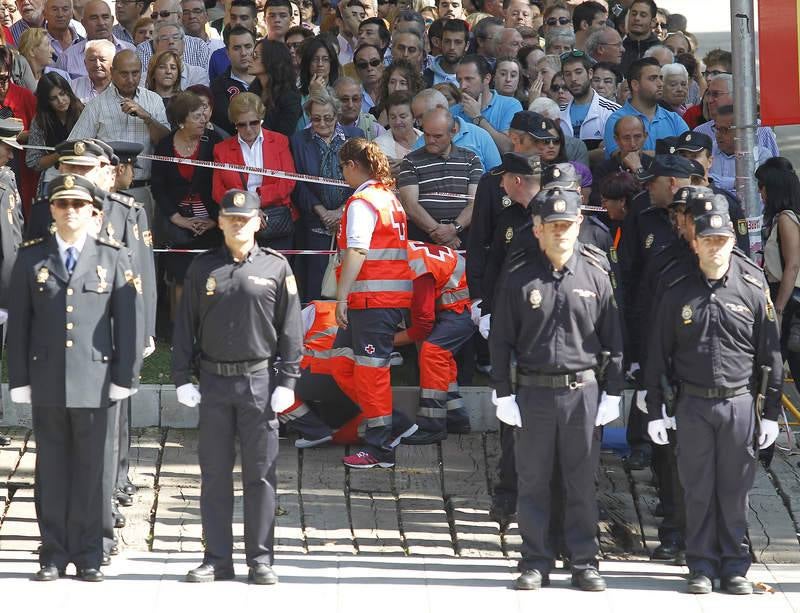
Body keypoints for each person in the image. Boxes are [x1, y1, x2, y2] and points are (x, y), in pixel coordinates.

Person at [645, 193, 783, 595]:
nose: (715, 247)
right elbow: (657, 354)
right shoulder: (675, 287)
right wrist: (655, 409)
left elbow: (771, 356)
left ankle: (735, 565)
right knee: (698, 488)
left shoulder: (752, 287)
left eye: (722, 241)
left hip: (740, 403)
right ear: (696, 242)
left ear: (731, 242)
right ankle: (701, 564)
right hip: (692, 403)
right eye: (708, 240)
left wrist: (771, 413)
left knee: (735, 489)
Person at [9, 172, 144, 582]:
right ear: (51, 209)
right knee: (50, 468)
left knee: (94, 470)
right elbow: (20, 326)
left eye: (78, 205)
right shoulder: (31, 257)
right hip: (48, 377)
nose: (70, 211)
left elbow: (130, 324)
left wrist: (125, 375)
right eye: (62, 204)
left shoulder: (113, 256)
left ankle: (89, 552)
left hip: (97, 378)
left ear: (93, 211)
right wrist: (19, 379)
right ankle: (52, 551)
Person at [490, 185, 623, 591]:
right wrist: (503, 393)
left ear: (579, 224)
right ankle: (535, 559)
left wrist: (613, 392)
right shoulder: (519, 278)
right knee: (533, 480)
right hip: (532, 392)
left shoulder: (597, 275)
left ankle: (584, 560)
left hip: (582, 392)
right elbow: (500, 340)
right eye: (553, 226)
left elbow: (614, 339)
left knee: (581, 479)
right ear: (537, 229)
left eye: (567, 225)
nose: (561, 232)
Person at [172, 188, 303, 585]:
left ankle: (260, 559)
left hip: (259, 383)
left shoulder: (277, 267)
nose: (237, 224)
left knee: (260, 475)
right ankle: (216, 558)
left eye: (244, 219)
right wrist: (180, 377)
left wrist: (290, 380)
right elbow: (184, 326)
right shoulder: (202, 268)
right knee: (213, 474)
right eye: (230, 218)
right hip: (213, 382)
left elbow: (291, 328)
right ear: (220, 222)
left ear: (258, 222)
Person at [334, 137, 414, 469]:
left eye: (343, 169)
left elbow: (358, 249)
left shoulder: (362, 202)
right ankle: (395, 423)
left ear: (352, 166)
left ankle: (380, 447)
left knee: (370, 374)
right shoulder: (387, 199)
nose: (342, 176)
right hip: (381, 298)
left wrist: (341, 295)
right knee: (343, 363)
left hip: (372, 299)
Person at [152, 90, 221, 318]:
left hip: (210, 221)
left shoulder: (213, 142)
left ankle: (207, 330)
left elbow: (224, 182)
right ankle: (179, 332)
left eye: (204, 115)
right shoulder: (164, 146)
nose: (203, 120)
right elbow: (158, 187)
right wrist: (177, 218)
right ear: (181, 122)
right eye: (197, 117)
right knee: (180, 277)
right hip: (177, 222)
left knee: (210, 277)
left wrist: (214, 220)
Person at [289, 90, 360, 300]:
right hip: (315, 224)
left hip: (351, 222)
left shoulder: (355, 136)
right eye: (316, 118)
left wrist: (341, 211)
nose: (322, 123)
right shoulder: (299, 141)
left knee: (351, 283)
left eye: (328, 118)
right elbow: (298, 183)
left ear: (337, 115)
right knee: (317, 287)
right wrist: (322, 212)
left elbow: (365, 179)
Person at [212, 92, 297, 250]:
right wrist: (248, 208)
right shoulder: (221, 150)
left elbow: (288, 181)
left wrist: (257, 199)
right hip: (239, 221)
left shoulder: (279, 141)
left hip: (275, 219)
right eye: (242, 125)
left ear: (261, 119)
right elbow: (218, 192)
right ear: (234, 124)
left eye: (254, 123)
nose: (249, 129)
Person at [398, 106, 483, 245]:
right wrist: (439, 233)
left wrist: (454, 228)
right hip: (423, 238)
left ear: (453, 132)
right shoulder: (410, 161)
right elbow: (410, 205)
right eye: (426, 134)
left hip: (464, 236)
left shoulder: (471, 159)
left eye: (437, 136)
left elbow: (476, 202)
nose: (431, 140)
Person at [758, 158, 800, 397]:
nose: (759, 193)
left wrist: (780, 310)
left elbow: (792, 266)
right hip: (785, 300)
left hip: (788, 302)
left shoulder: (786, 218)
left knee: (771, 370)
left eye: (762, 186)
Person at [604, 57, 689, 158]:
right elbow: (624, 158)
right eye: (653, 78)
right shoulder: (617, 119)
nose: (660, 84)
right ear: (635, 85)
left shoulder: (674, 119)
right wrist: (670, 154)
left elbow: (689, 154)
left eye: (661, 78)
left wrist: (644, 154)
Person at [26, 72, 83, 195]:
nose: (60, 101)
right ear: (46, 102)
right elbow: (32, 161)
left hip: (82, 177)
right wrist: (60, 153)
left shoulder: (84, 112)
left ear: (68, 91)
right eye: (53, 98)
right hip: (52, 179)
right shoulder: (40, 120)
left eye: (62, 94)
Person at [451, 53, 521, 153]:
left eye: (468, 79)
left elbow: (508, 148)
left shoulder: (511, 105)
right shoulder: (453, 112)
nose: (462, 86)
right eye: (459, 80)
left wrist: (478, 118)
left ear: (486, 79)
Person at [558, 49, 619, 155]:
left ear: (590, 74)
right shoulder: (558, 112)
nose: (573, 79)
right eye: (568, 74)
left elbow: (615, 153)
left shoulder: (612, 111)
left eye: (578, 72)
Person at [55, 0, 137, 79]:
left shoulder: (131, 50)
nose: (101, 23)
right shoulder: (67, 58)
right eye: (94, 18)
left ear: (112, 20)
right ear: (83, 23)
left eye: (105, 17)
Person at [248, 38, 301, 136]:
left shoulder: (290, 97)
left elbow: (283, 135)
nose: (249, 59)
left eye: (255, 56)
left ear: (271, 59)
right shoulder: (253, 90)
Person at [210, 24, 255, 135]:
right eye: (237, 48)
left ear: (255, 49)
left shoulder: (269, 79)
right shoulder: (218, 86)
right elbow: (225, 121)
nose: (243, 53)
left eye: (248, 46)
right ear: (227, 53)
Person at [333, 76, 385, 140]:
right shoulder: (324, 126)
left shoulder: (374, 128)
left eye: (355, 99)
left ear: (361, 101)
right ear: (333, 100)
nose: (350, 105)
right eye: (345, 99)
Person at [374, 90, 420, 161]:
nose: (397, 122)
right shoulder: (378, 146)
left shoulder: (427, 139)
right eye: (393, 117)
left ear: (414, 117)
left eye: (403, 117)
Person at [619, 0, 659, 73]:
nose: (637, 18)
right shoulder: (618, 47)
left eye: (643, 15)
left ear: (653, 22)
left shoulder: (660, 50)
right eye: (633, 14)